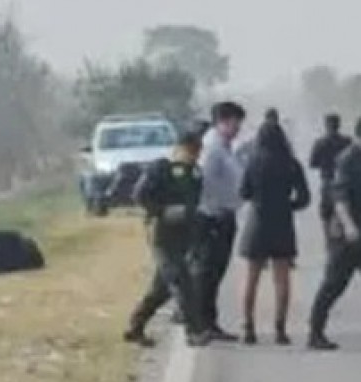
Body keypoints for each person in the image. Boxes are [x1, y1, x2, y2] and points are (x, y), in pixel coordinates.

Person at [126, 126, 211, 347]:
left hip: (182, 235)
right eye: (190, 150)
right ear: (179, 148)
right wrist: (162, 211)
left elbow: (194, 204)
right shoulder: (161, 168)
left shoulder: (195, 173)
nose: (194, 155)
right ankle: (194, 331)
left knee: (161, 290)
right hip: (161, 233)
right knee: (182, 281)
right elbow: (139, 195)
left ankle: (135, 326)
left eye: (197, 151)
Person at [236, 117, 312, 344]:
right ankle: (280, 329)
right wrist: (288, 206)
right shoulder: (291, 163)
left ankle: (248, 328)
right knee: (282, 278)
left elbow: (243, 192)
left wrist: (259, 200)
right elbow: (304, 197)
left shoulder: (253, 162)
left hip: (258, 221)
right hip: (282, 223)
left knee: (251, 278)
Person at [193, 102, 247, 339]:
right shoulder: (213, 148)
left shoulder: (224, 146)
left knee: (215, 272)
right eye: (235, 123)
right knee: (208, 272)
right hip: (212, 217)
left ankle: (209, 322)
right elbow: (205, 184)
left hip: (223, 215)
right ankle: (202, 323)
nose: (238, 129)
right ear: (223, 122)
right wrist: (216, 207)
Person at [307, 137, 361, 349]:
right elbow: (340, 198)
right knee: (333, 284)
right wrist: (349, 225)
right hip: (347, 236)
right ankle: (315, 332)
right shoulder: (347, 160)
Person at [308, 113, 352, 245]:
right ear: (339, 125)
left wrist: (324, 162)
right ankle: (345, 246)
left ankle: (330, 245)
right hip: (345, 184)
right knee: (346, 216)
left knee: (326, 217)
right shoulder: (347, 142)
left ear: (326, 125)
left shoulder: (320, 143)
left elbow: (312, 163)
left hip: (327, 182)